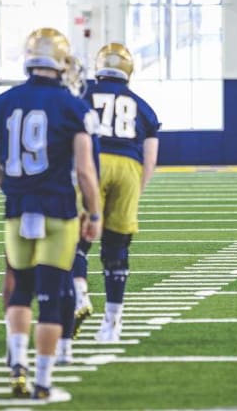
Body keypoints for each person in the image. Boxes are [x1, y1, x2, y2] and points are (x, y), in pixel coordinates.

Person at [0, 27, 101, 401]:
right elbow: (84, 171)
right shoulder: (73, 107)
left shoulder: (1, 103)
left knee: (19, 290)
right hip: (58, 210)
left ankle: (17, 364)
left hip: (17, 210)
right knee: (51, 297)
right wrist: (94, 213)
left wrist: (15, 190)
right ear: (62, 62)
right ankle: (43, 383)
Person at [84, 42, 160, 342]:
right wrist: (137, 189)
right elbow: (150, 158)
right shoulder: (142, 106)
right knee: (117, 250)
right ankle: (112, 324)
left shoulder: (82, 97)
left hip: (92, 164)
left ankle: (78, 297)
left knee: (77, 241)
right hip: (129, 167)